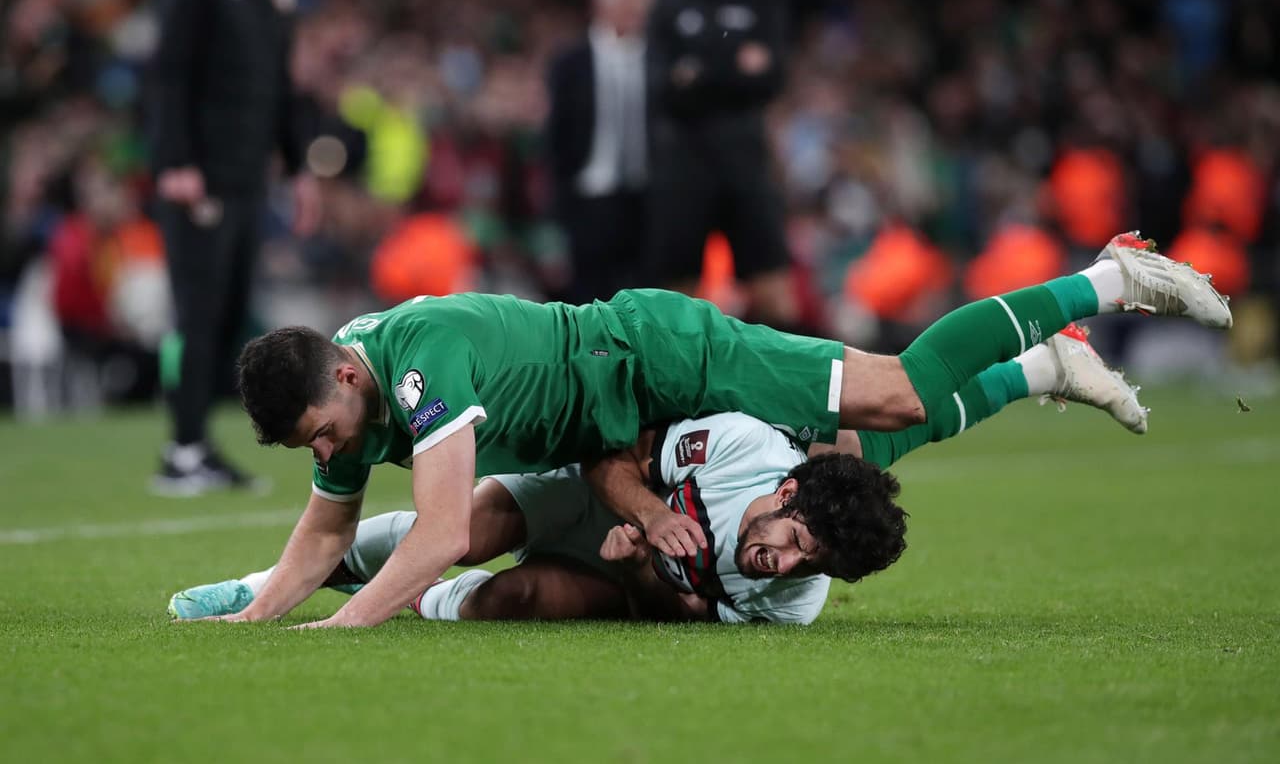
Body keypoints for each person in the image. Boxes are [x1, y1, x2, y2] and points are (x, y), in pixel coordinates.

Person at [197, 230, 1225, 630]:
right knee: (855, 455)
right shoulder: (350, 396)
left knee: (895, 395)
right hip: (609, 418)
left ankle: (1108, 276)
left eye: (319, 431)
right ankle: (1046, 364)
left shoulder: (419, 362)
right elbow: (324, 531)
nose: (324, 450)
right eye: (309, 446)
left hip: (652, 356)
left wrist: (341, 629)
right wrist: (257, 621)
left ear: (344, 371)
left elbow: (432, 535)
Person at [170, 323, 1146, 624]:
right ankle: (1054, 342)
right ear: (789, 488)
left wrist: (638, 561)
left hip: (621, 561)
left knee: (502, 596)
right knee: (898, 406)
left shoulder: (798, 582)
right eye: (791, 531)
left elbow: (679, 614)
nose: (776, 560)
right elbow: (616, 444)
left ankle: (1046, 362)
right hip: (592, 468)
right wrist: (637, 500)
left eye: (803, 560)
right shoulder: (742, 444)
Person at [146, 0, 321, 495]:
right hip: (200, 178)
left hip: (247, 181)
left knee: (226, 319)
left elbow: (280, 88)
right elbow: (168, 69)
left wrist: (299, 169)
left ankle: (198, 447)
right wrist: (175, 160)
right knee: (196, 316)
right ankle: (182, 450)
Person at [645, 0, 796, 328]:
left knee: (775, 294)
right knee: (675, 297)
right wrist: (735, 68)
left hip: (745, 163)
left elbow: (772, 78)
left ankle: (790, 390)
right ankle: (674, 390)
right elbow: (661, 87)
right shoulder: (665, 2)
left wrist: (697, 74)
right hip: (683, 165)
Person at [546, 0, 656, 304]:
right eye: (625, 0)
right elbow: (556, 136)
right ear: (601, 4)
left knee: (641, 295)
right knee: (587, 296)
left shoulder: (661, 60)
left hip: (646, 197)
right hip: (588, 195)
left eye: (640, 1)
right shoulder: (570, 61)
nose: (633, 9)